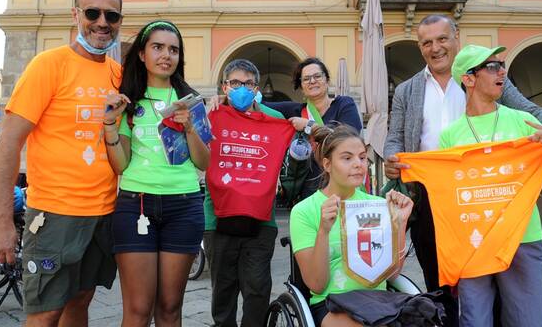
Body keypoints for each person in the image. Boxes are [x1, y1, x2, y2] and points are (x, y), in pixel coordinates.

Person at [382, 14, 542, 326]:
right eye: (426, 43)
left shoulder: (491, 79)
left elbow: (529, 111)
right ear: (420, 47)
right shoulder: (408, 90)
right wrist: (392, 158)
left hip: (496, 202)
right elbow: (395, 136)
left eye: (441, 39)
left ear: (455, 38)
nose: (434, 48)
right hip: (432, 196)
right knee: (442, 284)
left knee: (507, 295)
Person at [0, 0, 122, 326]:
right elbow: (8, 145)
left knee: (81, 301)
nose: (102, 22)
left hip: (103, 213)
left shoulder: (118, 74)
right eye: (93, 12)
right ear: (76, 15)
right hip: (54, 216)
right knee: (45, 312)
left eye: (112, 15)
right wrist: (1, 221)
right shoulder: (48, 65)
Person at [440, 44, 542, 326]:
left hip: (522, 239)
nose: (501, 71)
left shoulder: (524, 122)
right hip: (474, 243)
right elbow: (447, 199)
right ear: (468, 78)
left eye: (501, 65)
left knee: (528, 321)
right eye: (491, 67)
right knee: (474, 321)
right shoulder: (449, 137)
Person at [102, 20, 209, 327]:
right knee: (137, 311)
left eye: (173, 49)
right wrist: (110, 124)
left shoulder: (190, 100)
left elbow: (204, 162)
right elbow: (119, 165)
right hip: (135, 205)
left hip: (184, 206)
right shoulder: (127, 100)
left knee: (170, 308)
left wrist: (189, 127)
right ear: (142, 54)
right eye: (158, 47)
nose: (166, 55)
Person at [290, 124, 414, 327]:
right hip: (333, 303)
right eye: (347, 158)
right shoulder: (304, 211)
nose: (358, 164)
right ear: (327, 164)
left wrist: (400, 223)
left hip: (378, 303)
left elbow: (391, 274)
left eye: (362, 157)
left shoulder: (377, 204)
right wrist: (324, 230)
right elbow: (317, 285)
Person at [204, 59, 290, 327]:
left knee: (257, 292)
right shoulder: (211, 113)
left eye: (249, 83)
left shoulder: (274, 119)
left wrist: (301, 127)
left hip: (262, 220)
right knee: (223, 294)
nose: (242, 88)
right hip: (216, 218)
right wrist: (207, 108)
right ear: (225, 86)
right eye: (235, 83)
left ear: (256, 89)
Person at [266, 57, 362, 203]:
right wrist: (225, 99)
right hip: (309, 194)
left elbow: (348, 138)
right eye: (306, 79)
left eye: (317, 76)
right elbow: (258, 105)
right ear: (301, 86)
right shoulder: (295, 110)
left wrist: (308, 126)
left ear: (327, 80)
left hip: (343, 187)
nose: (312, 81)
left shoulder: (344, 104)